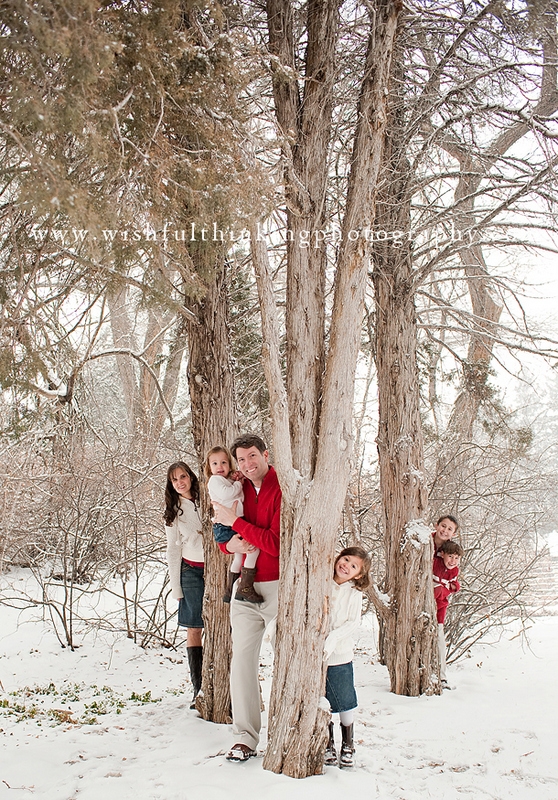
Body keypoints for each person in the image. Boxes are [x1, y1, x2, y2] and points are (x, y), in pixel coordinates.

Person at [212, 434, 281, 762]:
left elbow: (275, 543)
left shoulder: (280, 487)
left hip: (279, 586)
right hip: (245, 587)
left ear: (266, 454)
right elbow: (226, 533)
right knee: (241, 662)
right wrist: (229, 545)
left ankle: (294, 727)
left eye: (252, 456)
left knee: (286, 656)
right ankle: (245, 737)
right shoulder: (234, 486)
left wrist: (235, 523)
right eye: (241, 459)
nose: (247, 464)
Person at [323, 546, 371, 769]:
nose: (346, 566)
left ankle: (348, 743)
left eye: (353, 566)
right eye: (345, 559)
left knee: (344, 698)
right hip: (316, 652)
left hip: (340, 653)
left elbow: (353, 623)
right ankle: (327, 742)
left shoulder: (354, 593)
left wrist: (333, 638)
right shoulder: (322, 581)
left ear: (358, 575)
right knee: (321, 699)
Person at [164, 461, 204, 709]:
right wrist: (175, 586)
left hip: (216, 571)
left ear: (190, 477)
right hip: (190, 572)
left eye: (183, 476)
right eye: (174, 479)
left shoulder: (206, 499)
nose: (180, 482)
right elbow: (172, 550)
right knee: (194, 628)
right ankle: (198, 687)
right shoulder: (173, 512)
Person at [205, 446, 262, 604]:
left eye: (223, 462)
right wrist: (238, 485)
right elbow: (227, 493)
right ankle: (245, 587)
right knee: (253, 550)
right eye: (215, 463)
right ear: (209, 468)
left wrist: (235, 480)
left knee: (239, 555)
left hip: (232, 523)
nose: (220, 466)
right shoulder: (214, 480)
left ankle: (230, 590)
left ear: (229, 465)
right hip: (227, 525)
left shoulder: (225, 480)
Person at [433, 539, 463, 689]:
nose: (453, 561)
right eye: (450, 556)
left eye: (457, 558)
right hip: (426, 605)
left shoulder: (454, 571)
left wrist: (450, 588)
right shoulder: (434, 563)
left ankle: (441, 676)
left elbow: (450, 588)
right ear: (442, 554)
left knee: (439, 640)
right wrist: (443, 589)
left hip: (440, 608)